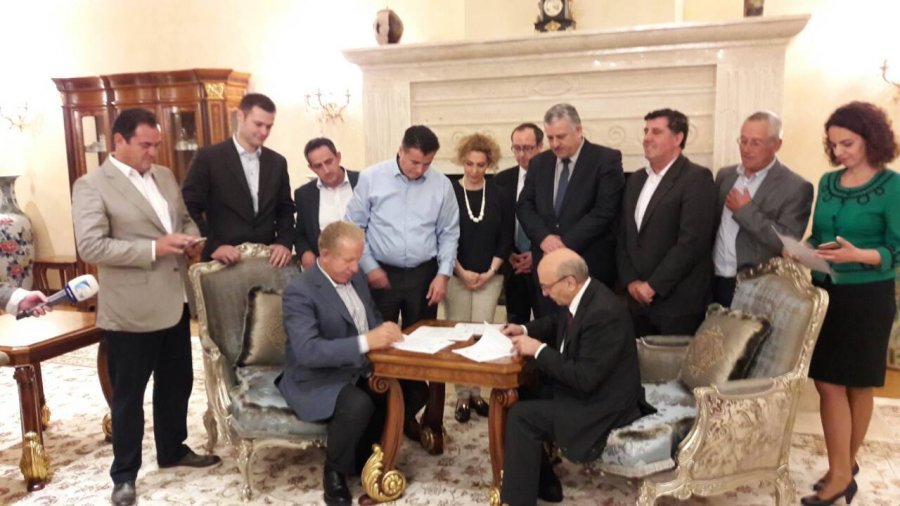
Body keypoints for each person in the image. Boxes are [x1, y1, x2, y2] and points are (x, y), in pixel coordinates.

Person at [71, 108, 220, 506]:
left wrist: (190, 238)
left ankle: (172, 449)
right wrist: (155, 248)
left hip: (175, 299)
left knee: (176, 384)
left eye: (156, 145)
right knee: (129, 396)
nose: (153, 152)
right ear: (118, 141)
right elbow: (91, 246)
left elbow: (184, 219)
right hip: (130, 309)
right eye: (145, 145)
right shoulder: (91, 186)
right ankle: (124, 475)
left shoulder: (165, 176)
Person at [801, 101, 899, 506]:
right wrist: (802, 249)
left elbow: (897, 249)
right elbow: (819, 234)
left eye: (847, 143)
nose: (838, 151)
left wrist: (859, 255)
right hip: (827, 294)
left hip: (868, 297)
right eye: (833, 144)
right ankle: (843, 466)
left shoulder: (892, 186)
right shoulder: (828, 182)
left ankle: (842, 471)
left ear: (871, 140)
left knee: (857, 383)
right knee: (828, 382)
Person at [500, 248, 653, 506]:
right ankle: (543, 480)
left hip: (602, 405)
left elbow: (584, 378)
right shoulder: (583, 294)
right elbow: (554, 323)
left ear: (569, 281)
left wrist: (538, 350)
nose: (544, 293)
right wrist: (523, 329)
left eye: (546, 287)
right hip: (584, 388)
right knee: (519, 392)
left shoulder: (604, 313)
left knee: (520, 417)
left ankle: (517, 501)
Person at [344, 124, 459, 439]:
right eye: (414, 162)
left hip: (424, 276)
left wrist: (443, 274)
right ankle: (382, 418)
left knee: (423, 349)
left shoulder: (442, 185)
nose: (419, 170)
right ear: (401, 151)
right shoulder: (372, 178)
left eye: (427, 164)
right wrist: (369, 266)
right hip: (381, 275)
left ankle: (417, 416)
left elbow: (449, 232)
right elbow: (354, 226)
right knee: (382, 350)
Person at [277, 221, 402, 506]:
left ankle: (363, 455)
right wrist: (367, 341)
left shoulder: (356, 279)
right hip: (316, 376)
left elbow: (372, 318)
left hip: (358, 366)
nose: (356, 268)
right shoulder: (300, 291)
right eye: (348, 260)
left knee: (408, 390)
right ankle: (334, 471)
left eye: (358, 259)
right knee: (358, 403)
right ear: (325, 255)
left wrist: (386, 331)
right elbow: (308, 351)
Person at [516, 103, 624, 317]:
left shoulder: (605, 160)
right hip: (547, 271)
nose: (555, 144)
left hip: (587, 267)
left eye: (561, 136)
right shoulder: (539, 163)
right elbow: (524, 205)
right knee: (547, 328)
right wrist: (544, 237)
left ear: (578, 130)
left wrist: (563, 244)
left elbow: (605, 211)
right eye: (550, 138)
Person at [617, 108, 717, 338]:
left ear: (678, 138)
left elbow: (692, 243)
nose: (647, 138)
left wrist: (653, 286)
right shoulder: (636, 180)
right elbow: (624, 235)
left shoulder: (696, 178)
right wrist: (631, 282)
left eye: (656, 132)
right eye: (645, 131)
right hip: (636, 302)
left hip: (678, 304)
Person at [444, 133, 514, 423]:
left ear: (490, 164)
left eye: (481, 165)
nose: (474, 170)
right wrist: (461, 271)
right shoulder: (449, 192)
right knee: (460, 335)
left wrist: (490, 272)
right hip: (455, 275)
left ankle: (477, 392)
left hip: (490, 276)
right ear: (462, 161)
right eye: (469, 164)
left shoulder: (500, 194)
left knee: (481, 335)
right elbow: (443, 236)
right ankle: (463, 394)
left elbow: (506, 237)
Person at [712, 111, 813, 306]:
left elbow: (787, 242)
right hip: (714, 280)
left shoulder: (796, 187)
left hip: (758, 286)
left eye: (755, 143)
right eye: (743, 141)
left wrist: (745, 211)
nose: (746, 149)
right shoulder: (725, 176)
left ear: (776, 145)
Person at [181, 93, 295, 267]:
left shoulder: (277, 162)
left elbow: (285, 208)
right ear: (240, 116)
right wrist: (212, 245)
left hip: (267, 261)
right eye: (258, 124)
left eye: (269, 126)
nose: (264, 132)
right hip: (222, 262)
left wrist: (284, 242)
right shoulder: (209, 158)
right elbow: (188, 207)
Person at [494, 123, 544, 324]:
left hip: (544, 264)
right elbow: (497, 222)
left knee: (546, 324)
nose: (521, 155)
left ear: (540, 146)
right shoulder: (502, 180)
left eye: (528, 148)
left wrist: (535, 254)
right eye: (517, 148)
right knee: (515, 325)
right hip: (513, 266)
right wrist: (508, 253)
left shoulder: (552, 178)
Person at [294, 137, 359, 270]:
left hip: (364, 263)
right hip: (327, 269)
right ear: (311, 168)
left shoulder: (363, 182)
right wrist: (305, 253)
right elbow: (300, 234)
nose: (326, 170)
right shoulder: (304, 195)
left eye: (329, 162)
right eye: (318, 166)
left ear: (338, 157)